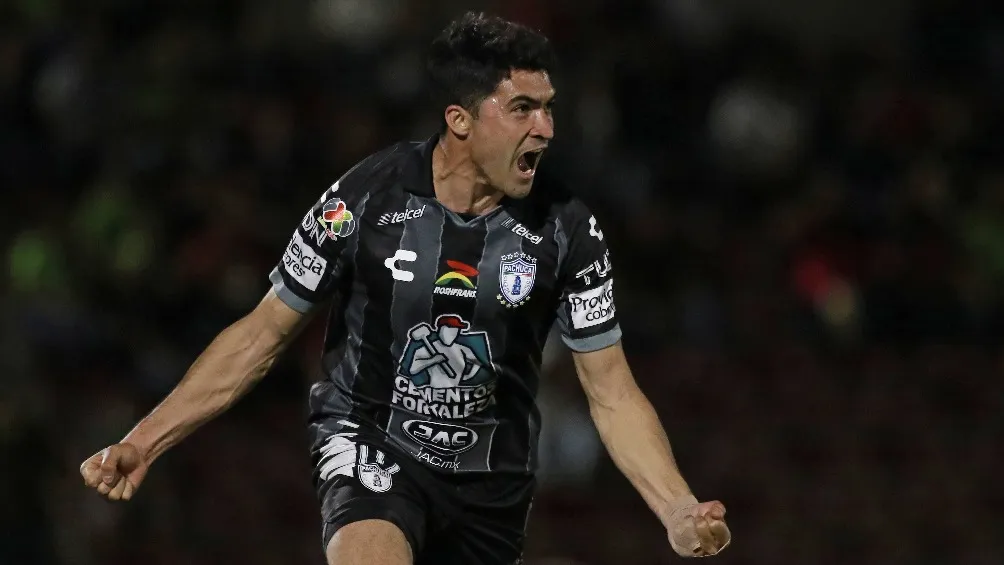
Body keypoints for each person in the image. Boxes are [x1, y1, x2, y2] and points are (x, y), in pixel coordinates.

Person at [80, 11, 731, 565]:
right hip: (371, 440)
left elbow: (611, 392)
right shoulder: (362, 200)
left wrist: (676, 506)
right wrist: (145, 439)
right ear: (461, 120)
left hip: (490, 485)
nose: (546, 130)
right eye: (524, 110)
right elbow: (260, 334)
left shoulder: (567, 230)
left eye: (549, 109)